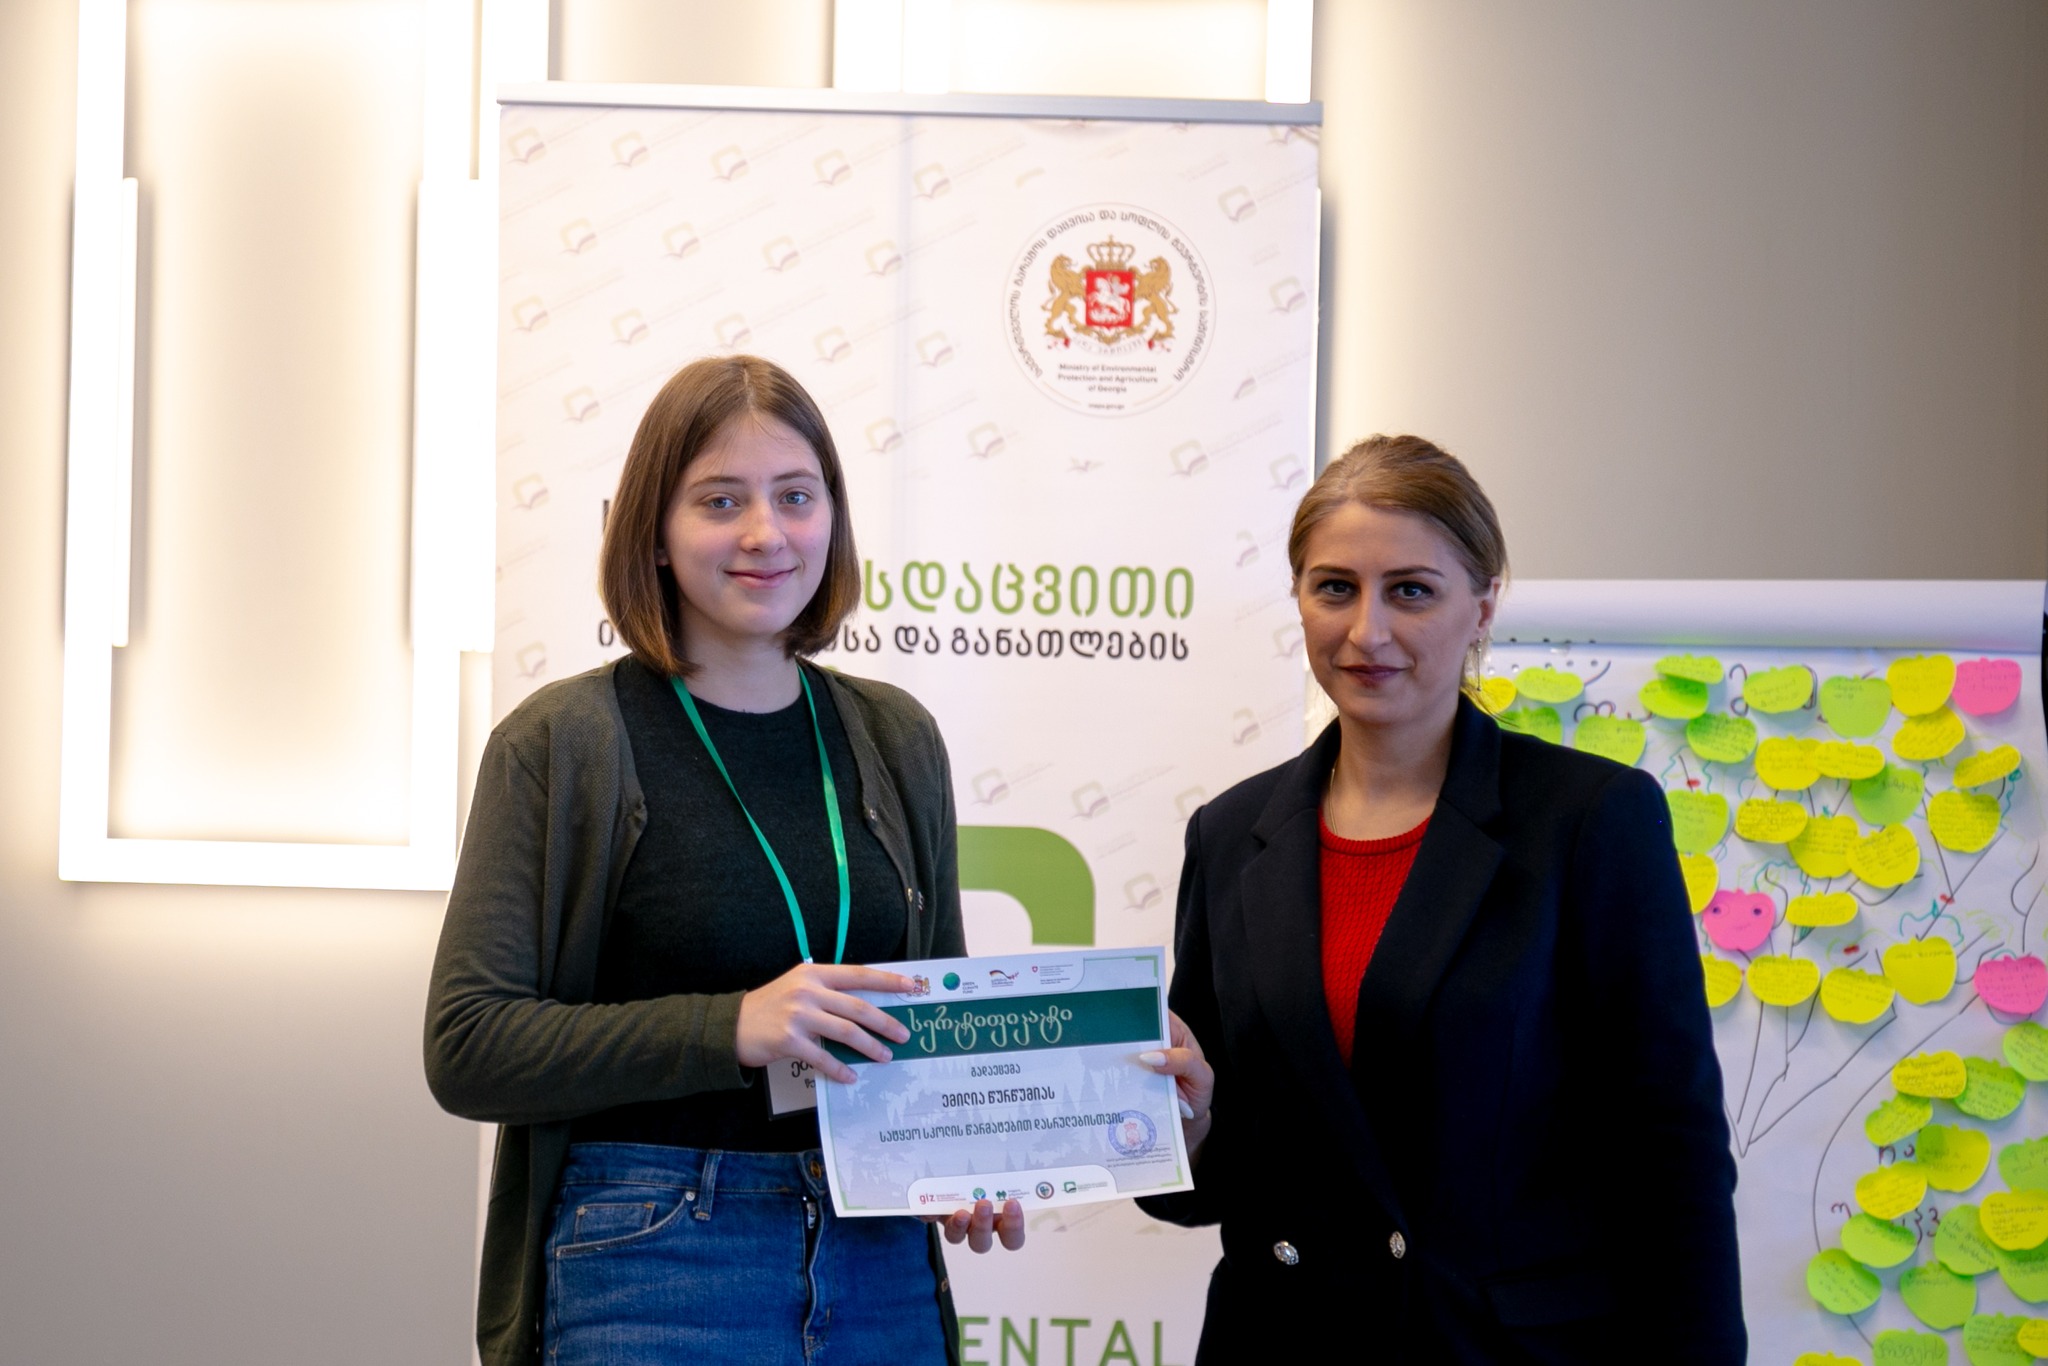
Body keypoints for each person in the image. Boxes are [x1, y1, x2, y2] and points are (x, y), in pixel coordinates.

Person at [424, 355, 1022, 1366]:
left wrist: (966, 1155)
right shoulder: (562, 741)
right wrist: (729, 1026)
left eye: (795, 495)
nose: (764, 533)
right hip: (652, 1253)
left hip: (877, 1258)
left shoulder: (895, 735)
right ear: (653, 532)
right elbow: (469, 1044)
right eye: (719, 500)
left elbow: (937, 1021)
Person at [1136, 435, 1743, 1363]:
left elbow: (1672, 1156)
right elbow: (1202, 1180)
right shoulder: (1230, 833)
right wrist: (1189, 1125)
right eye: (1334, 588)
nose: (1366, 631)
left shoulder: (1590, 819)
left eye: (1411, 591)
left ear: (1482, 606)